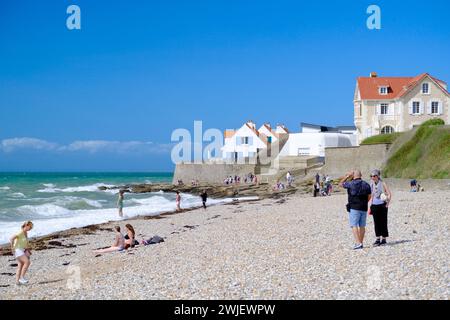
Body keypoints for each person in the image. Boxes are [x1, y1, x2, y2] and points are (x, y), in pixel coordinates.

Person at [340, 170, 372, 250]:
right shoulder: (366, 184)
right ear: (361, 175)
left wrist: (347, 176)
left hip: (354, 207)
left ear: (353, 175)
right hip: (364, 207)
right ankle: (360, 242)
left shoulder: (350, 184)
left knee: (354, 225)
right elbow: (369, 196)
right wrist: (365, 202)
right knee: (362, 226)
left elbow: (340, 184)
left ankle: (358, 243)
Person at [368, 169, 392, 246]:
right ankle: (378, 238)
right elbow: (372, 195)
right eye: (371, 176)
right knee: (376, 222)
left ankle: (384, 238)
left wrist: (387, 204)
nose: (373, 177)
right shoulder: (371, 184)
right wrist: (370, 205)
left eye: (374, 176)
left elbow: (389, 194)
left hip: (382, 205)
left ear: (378, 176)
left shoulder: (383, 183)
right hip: (374, 205)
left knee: (383, 222)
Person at [10, 221, 33, 285]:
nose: (30, 228)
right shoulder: (20, 232)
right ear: (26, 225)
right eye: (30, 226)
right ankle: (22, 278)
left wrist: (28, 250)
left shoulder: (25, 233)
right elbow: (11, 239)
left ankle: (17, 282)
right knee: (27, 262)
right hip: (18, 250)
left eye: (31, 227)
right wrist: (12, 249)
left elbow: (25, 243)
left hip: (22, 250)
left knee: (20, 265)